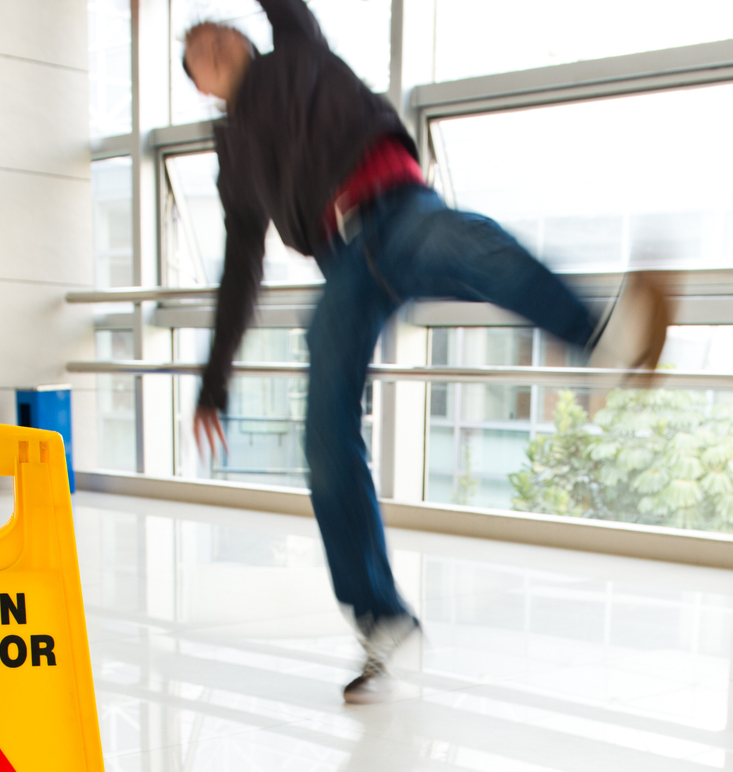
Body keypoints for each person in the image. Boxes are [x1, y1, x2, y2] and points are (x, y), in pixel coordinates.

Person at [182, 2, 674, 703]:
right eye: (199, 50)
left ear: (245, 34)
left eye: (219, 31)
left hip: (398, 209)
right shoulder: (233, 160)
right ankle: (379, 618)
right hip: (344, 261)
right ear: (200, 85)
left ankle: (601, 338)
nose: (215, 44)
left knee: (469, 244)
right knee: (324, 429)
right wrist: (212, 383)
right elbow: (240, 270)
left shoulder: (294, 45)